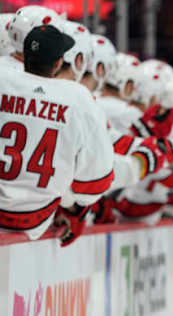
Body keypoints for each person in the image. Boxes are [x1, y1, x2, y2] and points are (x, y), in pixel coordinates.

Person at [0, 25, 114, 244]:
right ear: (59, 62)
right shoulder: (78, 97)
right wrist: (73, 206)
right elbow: (96, 182)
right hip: (34, 219)